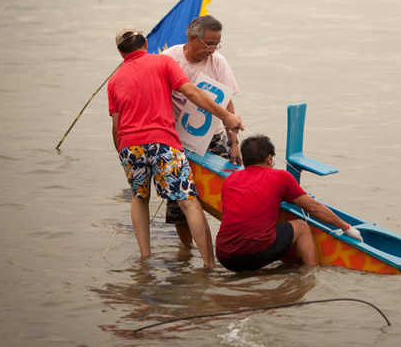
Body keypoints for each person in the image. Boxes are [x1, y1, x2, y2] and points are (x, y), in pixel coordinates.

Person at [107, 27, 244, 265]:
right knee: (188, 201)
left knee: (139, 198)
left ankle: (145, 257)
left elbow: (116, 126)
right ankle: (209, 264)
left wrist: (122, 153)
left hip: (130, 147)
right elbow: (192, 93)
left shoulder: (115, 79)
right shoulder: (163, 63)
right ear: (146, 44)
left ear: (121, 52)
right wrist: (227, 116)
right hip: (162, 143)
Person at [215, 135, 362, 272]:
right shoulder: (280, 176)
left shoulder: (229, 180)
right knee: (302, 227)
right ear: (269, 159)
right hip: (255, 255)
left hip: (226, 257)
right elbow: (313, 208)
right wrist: (346, 227)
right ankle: (312, 273)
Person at [162, 15, 241, 246]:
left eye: (217, 43)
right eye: (209, 43)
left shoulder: (218, 62)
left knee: (230, 194)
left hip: (213, 138)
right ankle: (186, 251)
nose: (213, 49)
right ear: (192, 38)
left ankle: (230, 242)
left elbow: (227, 103)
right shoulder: (169, 60)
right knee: (180, 203)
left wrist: (233, 142)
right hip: (178, 141)